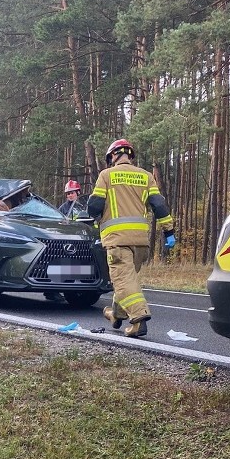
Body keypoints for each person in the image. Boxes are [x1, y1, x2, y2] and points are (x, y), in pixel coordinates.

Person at [87, 139, 175, 338]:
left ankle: (138, 319)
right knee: (127, 280)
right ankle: (116, 315)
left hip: (117, 240)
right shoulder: (146, 176)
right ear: (130, 155)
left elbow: (94, 207)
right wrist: (169, 231)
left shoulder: (106, 175)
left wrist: (95, 215)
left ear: (112, 156)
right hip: (141, 242)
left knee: (122, 280)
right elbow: (159, 206)